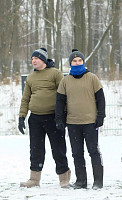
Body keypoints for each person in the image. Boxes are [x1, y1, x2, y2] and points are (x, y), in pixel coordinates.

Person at [18, 47, 71, 188]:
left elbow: (63, 95)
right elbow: (25, 98)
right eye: (32, 59)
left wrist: (63, 116)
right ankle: (34, 180)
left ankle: (64, 179)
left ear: (43, 59)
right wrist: (22, 117)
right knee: (36, 150)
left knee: (58, 149)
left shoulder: (55, 73)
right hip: (35, 119)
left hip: (53, 118)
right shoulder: (30, 77)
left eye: (36, 58)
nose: (33, 61)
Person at [55, 49, 105, 189]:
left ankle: (98, 182)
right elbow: (60, 102)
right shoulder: (65, 81)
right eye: (74, 61)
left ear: (83, 62)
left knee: (93, 151)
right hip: (73, 123)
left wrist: (101, 116)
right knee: (77, 153)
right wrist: (59, 119)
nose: (77, 63)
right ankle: (81, 181)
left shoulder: (92, 78)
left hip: (90, 122)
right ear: (70, 63)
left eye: (80, 61)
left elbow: (101, 99)